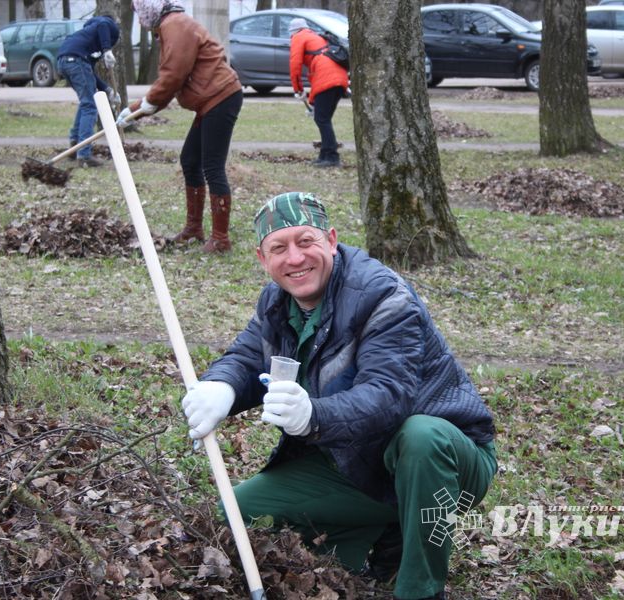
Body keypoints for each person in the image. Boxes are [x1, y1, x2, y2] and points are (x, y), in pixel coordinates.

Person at [181, 192, 497, 600]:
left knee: (421, 436)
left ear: (331, 240)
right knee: (238, 512)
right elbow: (246, 358)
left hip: (448, 464)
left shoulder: (382, 295)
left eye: (305, 241)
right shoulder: (276, 301)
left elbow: (388, 395)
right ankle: (386, 529)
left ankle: (420, 589)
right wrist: (220, 386)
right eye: (279, 248)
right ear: (262, 259)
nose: (295, 258)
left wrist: (314, 416)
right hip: (357, 464)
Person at [126, 0, 243, 253]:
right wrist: (137, 110)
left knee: (212, 167)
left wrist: (142, 106)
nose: (140, 22)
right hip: (210, 100)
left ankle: (220, 239)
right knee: (190, 160)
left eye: (140, 14)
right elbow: (172, 80)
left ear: (149, 9)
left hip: (220, 97)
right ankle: (193, 229)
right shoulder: (171, 24)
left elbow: (173, 76)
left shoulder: (175, 25)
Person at [56, 14, 120, 168]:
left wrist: (108, 90)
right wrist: (107, 50)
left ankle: (75, 144)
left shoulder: (86, 38)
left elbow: (89, 71)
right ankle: (84, 155)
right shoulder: (106, 24)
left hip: (63, 61)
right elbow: (104, 24)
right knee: (90, 106)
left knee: (86, 102)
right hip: (75, 61)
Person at [288, 18, 349, 168]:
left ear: (293, 32)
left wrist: (298, 89)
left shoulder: (298, 37)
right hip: (340, 79)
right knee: (323, 118)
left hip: (328, 78)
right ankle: (324, 155)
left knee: (322, 119)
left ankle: (332, 157)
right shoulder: (316, 36)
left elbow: (295, 65)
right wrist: (311, 100)